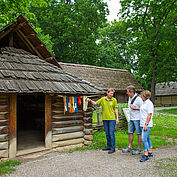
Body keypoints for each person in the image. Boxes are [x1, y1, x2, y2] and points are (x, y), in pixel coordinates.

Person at [87, 88, 119, 154]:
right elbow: (95, 103)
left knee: (111, 133)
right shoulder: (103, 99)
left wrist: (117, 118)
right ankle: (108, 146)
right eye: (110, 93)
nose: (111, 95)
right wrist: (90, 100)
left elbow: (116, 109)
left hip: (112, 119)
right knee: (107, 133)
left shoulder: (114, 100)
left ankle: (113, 148)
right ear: (107, 92)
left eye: (112, 94)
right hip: (105, 119)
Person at [122, 85, 143, 155]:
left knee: (138, 133)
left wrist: (135, 108)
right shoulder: (129, 98)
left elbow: (143, 108)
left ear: (131, 92)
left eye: (128, 92)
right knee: (130, 132)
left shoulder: (139, 99)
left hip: (138, 119)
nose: (127, 93)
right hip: (131, 118)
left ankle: (139, 149)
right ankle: (129, 147)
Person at [138, 90, 154, 162]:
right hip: (142, 123)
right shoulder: (144, 103)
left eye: (142, 95)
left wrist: (146, 124)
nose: (141, 96)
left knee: (143, 138)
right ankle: (150, 151)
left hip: (147, 124)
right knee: (147, 138)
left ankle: (146, 154)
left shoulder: (149, 103)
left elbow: (149, 114)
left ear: (144, 96)